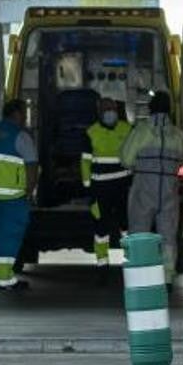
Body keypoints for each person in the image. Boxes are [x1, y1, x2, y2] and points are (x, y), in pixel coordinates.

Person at [120, 91, 183, 288]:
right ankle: (166, 279)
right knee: (168, 237)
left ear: (150, 109)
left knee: (138, 233)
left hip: (144, 190)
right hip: (169, 192)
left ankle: (139, 276)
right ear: (169, 109)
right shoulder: (177, 134)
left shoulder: (142, 131)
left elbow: (125, 159)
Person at [0, 98, 40, 291]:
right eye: (24, 113)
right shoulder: (20, 136)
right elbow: (31, 165)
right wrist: (30, 191)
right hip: (13, 196)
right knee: (10, 236)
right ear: (18, 114)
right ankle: (4, 279)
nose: (26, 118)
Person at [81, 97, 133, 279]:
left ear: (117, 111)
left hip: (122, 188)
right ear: (99, 112)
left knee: (126, 226)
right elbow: (85, 162)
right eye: (105, 109)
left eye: (112, 108)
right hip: (100, 189)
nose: (109, 112)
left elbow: (134, 156)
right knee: (101, 229)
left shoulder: (127, 130)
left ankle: (131, 262)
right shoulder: (91, 132)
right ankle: (102, 265)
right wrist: (89, 190)